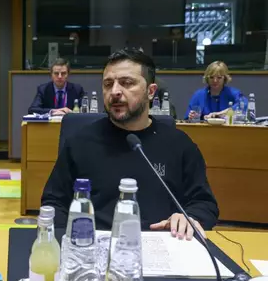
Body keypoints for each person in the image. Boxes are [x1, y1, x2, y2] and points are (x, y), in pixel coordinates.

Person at [41, 48, 219, 240]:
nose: (115, 91)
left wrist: (189, 218)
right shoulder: (80, 143)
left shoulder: (179, 145)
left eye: (127, 83)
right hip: (93, 250)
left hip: (162, 246)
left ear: (151, 92)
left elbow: (204, 204)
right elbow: (54, 202)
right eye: (108, 84)